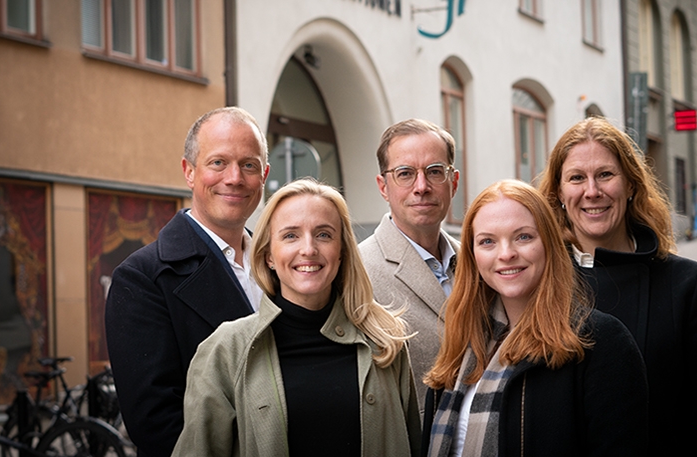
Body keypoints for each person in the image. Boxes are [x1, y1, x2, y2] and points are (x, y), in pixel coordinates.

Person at [172, 178, 421, 456]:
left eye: (324, 234)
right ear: (268, 255)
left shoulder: (385, 343)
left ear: (342, 253)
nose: (308, 249)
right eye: (290, 235)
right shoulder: (226, 351)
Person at [538, 116, 697, 456]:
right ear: (559, 192)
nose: (592, 191)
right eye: (576, 178)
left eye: (605, 174)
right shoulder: (538, 284)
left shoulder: (686, 284)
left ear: (631, 185)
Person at [422, 179, 648, 456]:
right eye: (487, 241)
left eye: (523, 237)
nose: (506, 254)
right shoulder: (462, 344)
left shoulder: (601, 342)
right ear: (472, 255)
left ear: (549, 244)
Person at [105, 107, 270, 457]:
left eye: (249, 165)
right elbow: (157, 426)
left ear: (265, 175)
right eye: (218, 163)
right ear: (189, 172)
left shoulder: (282, 266)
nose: (235, 178)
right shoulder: (142, 279)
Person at [359, 118, 460, 406]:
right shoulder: (357, 272)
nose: (422, 186)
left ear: (453, 182)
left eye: (435, 172)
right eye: (405, 173)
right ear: (383, 186)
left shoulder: (480, 263)